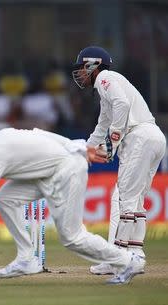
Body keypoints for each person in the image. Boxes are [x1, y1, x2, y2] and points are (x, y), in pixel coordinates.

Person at [0, 119, 145, 285]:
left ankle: (128, 262)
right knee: (5, 199)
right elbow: (38, 134)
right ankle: (27, 259)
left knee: (72, 237)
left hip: (67, 172)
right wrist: (76, 145)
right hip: (48, 174)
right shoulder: (0, 137)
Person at [72, 46, 166, 275]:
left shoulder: (105, 77)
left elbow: (122, 106)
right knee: (132, 199)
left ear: (93, 66)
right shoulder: (107, 92)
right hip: (153, 138)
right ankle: (135, 254)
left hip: (140, 138)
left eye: (82, 68)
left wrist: (114, 139)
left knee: (125, 196)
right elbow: (100, 127)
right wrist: (83, 151)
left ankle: (119, 259)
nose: (79, 74)